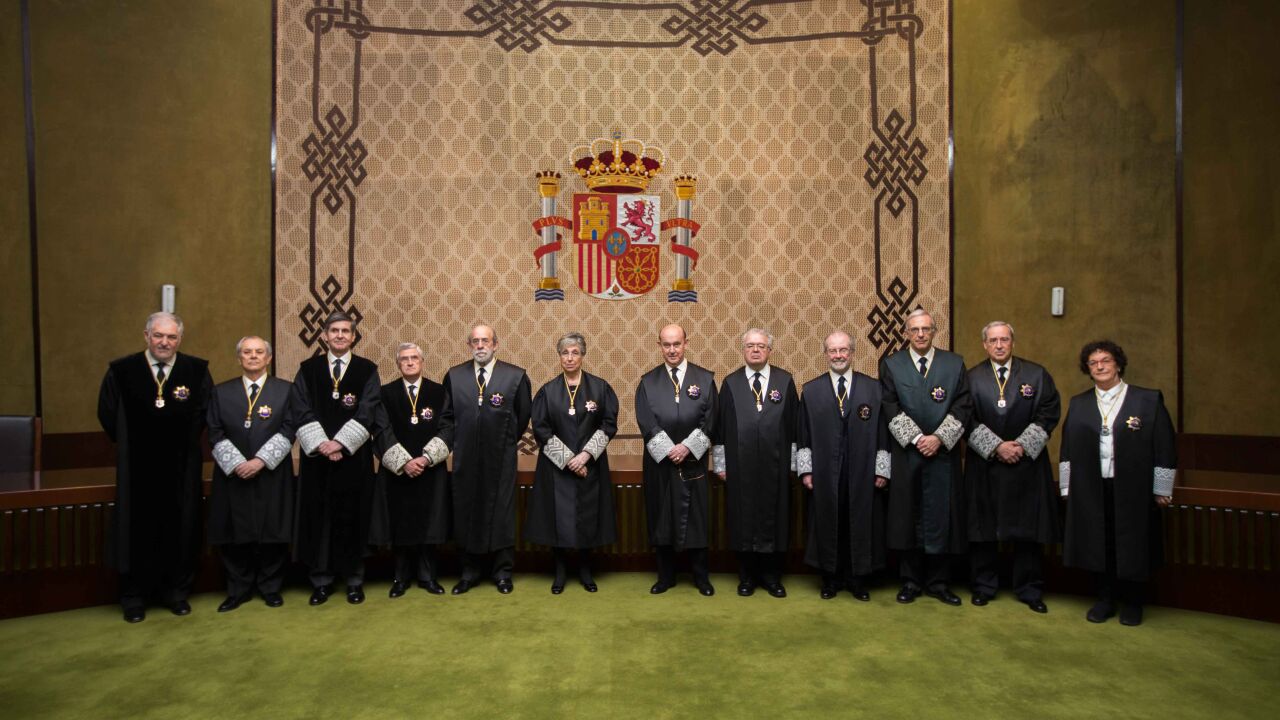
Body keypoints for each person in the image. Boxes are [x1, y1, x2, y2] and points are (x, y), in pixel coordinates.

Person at [97, 312, 212, 623]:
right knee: (135, 528)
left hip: (181, 466)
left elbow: (203, 413)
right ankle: (134, 596)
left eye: (171, 337)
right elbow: (107, 413)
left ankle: (176, 592)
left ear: (180, 339)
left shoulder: (196, 371)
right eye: (158, 335)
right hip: (136, 466)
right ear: (146, 336)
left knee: (181, 526)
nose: (164, 342)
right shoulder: (122, 371)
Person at [1060, 340, 1176, 626]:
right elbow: (1067, 448)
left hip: (1134, 488)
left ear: (1118, 364)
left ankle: (1133, 602)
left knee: (1133, 544)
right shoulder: (1079, 403)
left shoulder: (1147, 400)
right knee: (1100, 543)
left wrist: (1162, 488)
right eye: (1093, 363)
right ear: (1087, 368)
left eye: (1106, 361)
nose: (1100, 366)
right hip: (1092, 488)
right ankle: (1105, 599)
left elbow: (1165, 446)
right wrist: (1067, 487)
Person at [291, 310, 388, 606]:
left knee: (353, 517)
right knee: (319, 519)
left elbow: (368, 409)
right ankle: (321, 581)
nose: (340, 336)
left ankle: (354, 580)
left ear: (354, 336)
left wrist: (340, 444)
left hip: (353, 460)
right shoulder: (308, 370)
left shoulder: (366, 370)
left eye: (346, 331)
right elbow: (300, 408)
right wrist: (323, 444)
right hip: (317, 460)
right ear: (324, 335)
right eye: (334, 331)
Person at [963, 322, 1061, 613]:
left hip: (1026, 465)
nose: (999, 345)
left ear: (1013, 342)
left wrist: (1020, 446)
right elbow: (965, 417)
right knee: (983, 529)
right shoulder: (970, 378)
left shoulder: (1036, 375)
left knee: (1028, 530)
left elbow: (1049, 412)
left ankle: (1029, 589)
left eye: (1004, 339)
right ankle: (983, 586)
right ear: (984, 344)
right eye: (993, 340)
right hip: (985, 464)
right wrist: (996, 447)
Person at [880, 309, 973, 606]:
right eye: (914, 329)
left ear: (934, 331)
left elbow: (963, 405)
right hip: (908, 454)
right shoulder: (891, 364)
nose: (920, 334)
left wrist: (939, 439)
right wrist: (918, 439)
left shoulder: (954, 364)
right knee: (908, 517)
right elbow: (889, 405)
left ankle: (939, 582)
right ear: (905, 333)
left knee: (941, 516)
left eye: (926, 329)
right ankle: (910, 581)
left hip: (943, 456)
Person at [797, 330, 890, 600]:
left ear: (852, 352)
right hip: (825, 471)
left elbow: (883, 431)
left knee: (860, 522)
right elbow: (802, 433)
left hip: (862, 470)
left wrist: (882, 468)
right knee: (828, 522)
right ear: (825, 354)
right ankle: (830, 580)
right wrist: (806, 470)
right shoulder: (811, 390)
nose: (838, 355)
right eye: (833, 350)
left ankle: (858, 580)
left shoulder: (873, 389)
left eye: (843, 350)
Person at [523, 332, 619, 594]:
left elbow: (609, 424)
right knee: (559, 519)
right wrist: (568, 460)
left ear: (583, 355)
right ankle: (560, 572)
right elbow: (541, 428)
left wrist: (585, 456)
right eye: (564, 353)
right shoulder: (548, 391)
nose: (569, 357)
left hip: (590, 465)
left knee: (588, 517)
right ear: (559, 356)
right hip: (557, 468)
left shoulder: (600, 388)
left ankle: (586, 570)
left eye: (575, 352)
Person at [207, 336, 297, 612]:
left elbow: (290, 428)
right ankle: (238, 589)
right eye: (247, 352)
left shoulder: (286, 390)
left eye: (259, 352)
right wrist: (237, 463)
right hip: (233, 474)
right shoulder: (221, 392)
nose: (253, 356)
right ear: (239, 358)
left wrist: (260, 461)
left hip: (271, 472)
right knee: (235, 532)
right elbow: (214, 431)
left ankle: (271, 587)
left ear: (269, 358)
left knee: (273, 530)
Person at [442, 324, 532, 594]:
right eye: (475, 341)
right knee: (467, 510)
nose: (480, 346)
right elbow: (447, 416)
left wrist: (502, 440)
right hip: (466, 457)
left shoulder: (515, 376)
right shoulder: (454, 376)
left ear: (495, 344)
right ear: (469, 345)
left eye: (485, 341)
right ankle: (469, 573)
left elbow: (522, 415)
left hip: (501, 457)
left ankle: (503, 573)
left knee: (502, 513)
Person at [711, 328, 798, 598]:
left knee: (775, 518)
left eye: (761, 345)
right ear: (743, 350)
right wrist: (721, 465)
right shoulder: (730, 383)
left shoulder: (785, 381)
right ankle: (746, 577)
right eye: (750, 345)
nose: (756, 350)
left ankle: (772, 577)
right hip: (740, 468)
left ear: (770, 350)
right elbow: (720, 429)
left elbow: (794, 426)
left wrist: (794, 465)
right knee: (743, 519)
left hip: (776, 467)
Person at [635, 323, 718, 596]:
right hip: (660, 464)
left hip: (693, 464)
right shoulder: (647, 382)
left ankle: (701, 578)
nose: (672, 350)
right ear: (659, 346)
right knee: (661, 519)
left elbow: (711, 420)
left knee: (697, 519)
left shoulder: (705, 379)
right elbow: (646, 422)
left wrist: (688, 448)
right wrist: (671, 450)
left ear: (686, 343)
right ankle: (665, 577)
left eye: (677, 344)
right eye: (666, 345)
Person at [375, 343, 452, 598]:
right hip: (398, 471)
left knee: (430, 524)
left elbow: (448, 427)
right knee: (401, 524)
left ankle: (428, 577)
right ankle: (400, 578)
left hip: (430, 469)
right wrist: (404, 462)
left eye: (414, 358)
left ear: (422, 362)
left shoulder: (438, 392)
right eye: (404, 359)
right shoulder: (385, 394)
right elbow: (381, 429)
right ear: (398, 364)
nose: (409, 362)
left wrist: (426, 459)